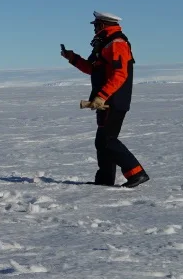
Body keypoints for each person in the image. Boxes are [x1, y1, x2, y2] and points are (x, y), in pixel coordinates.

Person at [61, 11, 149, 188]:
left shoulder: (117, 44)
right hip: (104, 102)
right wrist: (73, 58)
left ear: (103, 25)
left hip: (113, 100)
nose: (93, 28)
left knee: (107, 140)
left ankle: (136, 172)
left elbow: (120, 74)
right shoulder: (105, 44)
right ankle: (104, 180)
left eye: (95, 25)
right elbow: (92, 69)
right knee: (103, 141)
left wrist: (102, 96)